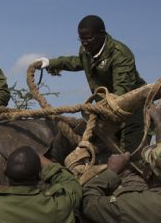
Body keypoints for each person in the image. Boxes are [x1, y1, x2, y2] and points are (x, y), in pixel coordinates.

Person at [35, 15, 146, 152]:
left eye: (88, 38)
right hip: (106, 110)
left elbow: (121, 92)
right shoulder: (86, 50)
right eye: (81, 39)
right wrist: (51, 63)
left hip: (132, 111)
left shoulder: (120, 54)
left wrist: (98, 113)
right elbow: (77, 62)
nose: (85, 43)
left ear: (102, 34)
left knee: (129, 155)